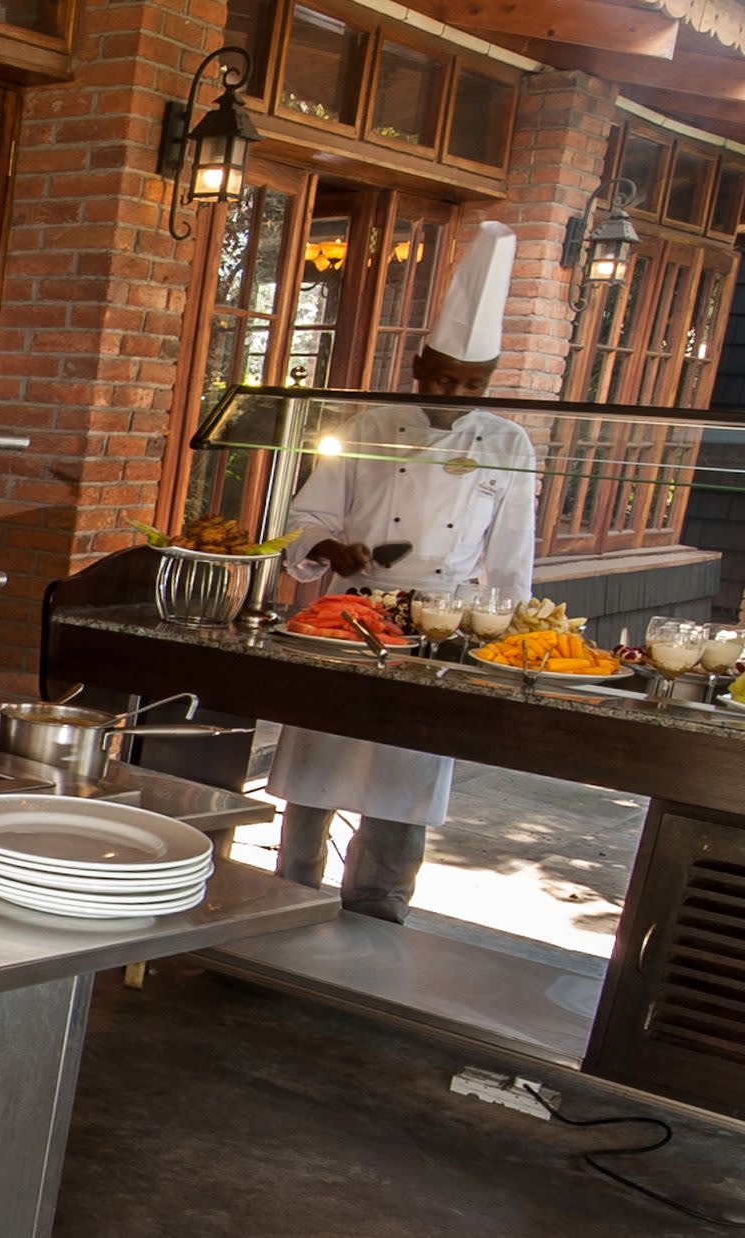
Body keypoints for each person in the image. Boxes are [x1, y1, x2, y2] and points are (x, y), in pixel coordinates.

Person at [265, 221, 537, 923]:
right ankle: (287, 895)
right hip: (346, 616)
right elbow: (308, 523)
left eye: (472, 383)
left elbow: (510, 557)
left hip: (440, 623)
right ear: (418, 366)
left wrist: (510, 644)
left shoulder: (508, 443)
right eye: (444, 376)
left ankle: (379, 907)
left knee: (407, 770)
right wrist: (334, 553)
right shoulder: (366, 428)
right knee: (318, 764)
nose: (454, 391)